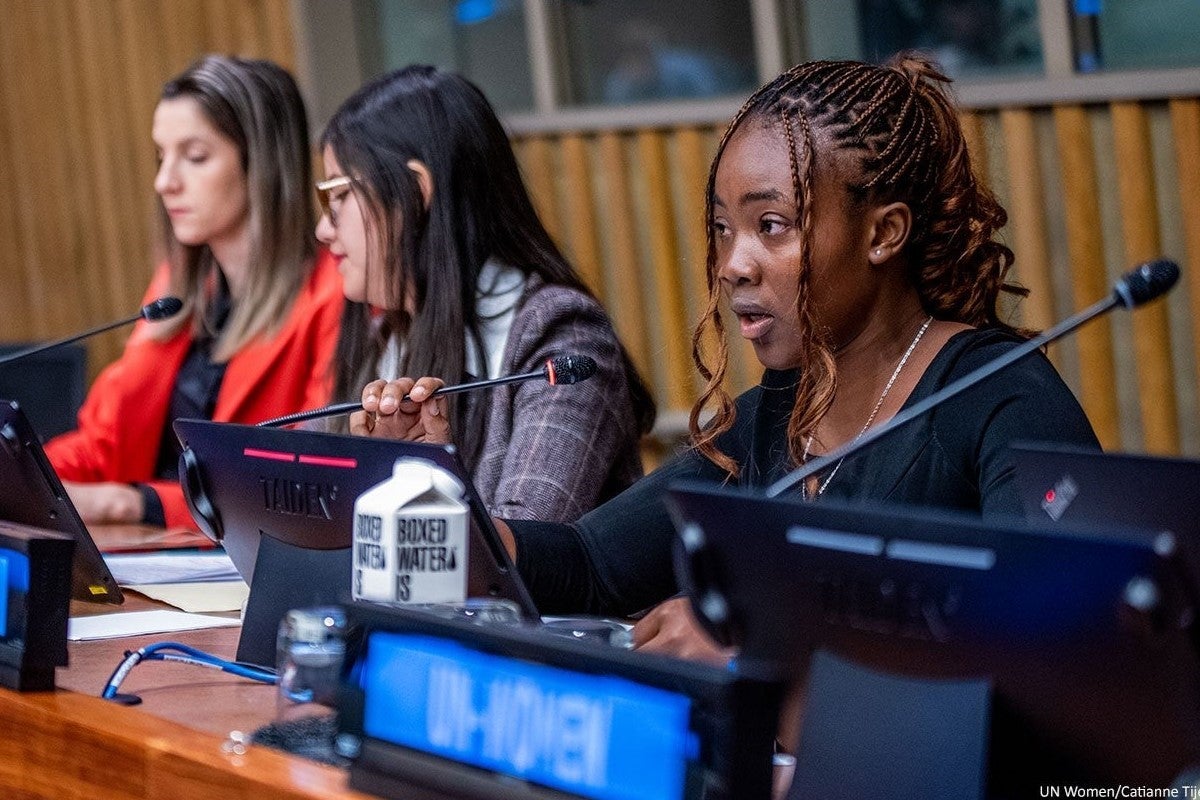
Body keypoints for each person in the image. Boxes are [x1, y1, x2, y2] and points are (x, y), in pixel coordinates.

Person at [491, 54, 1101, 660]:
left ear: (884, 233)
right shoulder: (777, 412)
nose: (734, 265)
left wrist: (754, 659)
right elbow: (592, 566)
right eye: (724, 228)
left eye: (773, 225)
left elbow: (1050, 659)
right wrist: (440, 505)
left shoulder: (1004, 400)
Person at [315, 65, 655, 523]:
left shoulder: (561, 336)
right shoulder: (383, 334)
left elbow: (525, 542)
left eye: (337, 196)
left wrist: (428, 480)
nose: (323, 229)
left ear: (415, 193)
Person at [46, 55, 343, 530]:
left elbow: (302, 486)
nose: (165, 182)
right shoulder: (177, 290)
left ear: (262, 165)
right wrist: (26, 476)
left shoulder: (332, 295)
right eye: (162, 156)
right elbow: (103, 444)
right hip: (153, 565)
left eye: (196, 156)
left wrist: (131, 503)